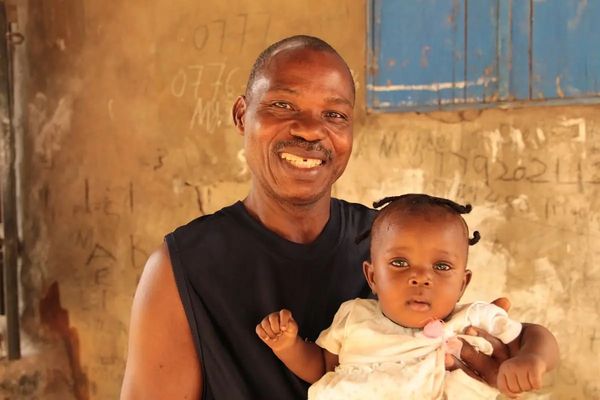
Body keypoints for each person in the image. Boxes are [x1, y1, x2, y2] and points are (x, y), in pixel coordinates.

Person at [120, 35, 559, 400]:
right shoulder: (183, 267)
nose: (310, 129)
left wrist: (496, 368)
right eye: (282, 106)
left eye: (334, 114)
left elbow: (466, 358)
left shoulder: (396, 239)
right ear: (241, 115)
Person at [256, 193, 549, 399]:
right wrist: (288, 346)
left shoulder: (471, 319)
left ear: (462, 283)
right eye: (399, 263)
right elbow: (322, 366)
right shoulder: (354, 317)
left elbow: (533, 334)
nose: (420, 277)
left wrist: (532, 357)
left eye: (442, 266)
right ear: (372, 277)